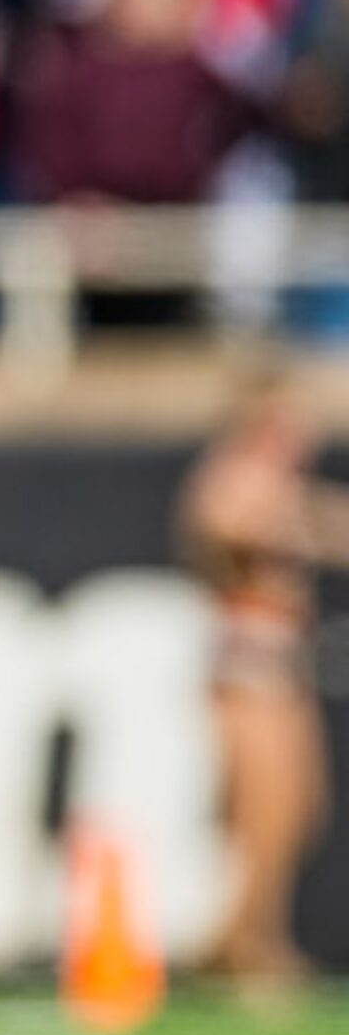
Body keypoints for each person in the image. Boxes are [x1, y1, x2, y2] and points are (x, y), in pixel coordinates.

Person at [178, 372, 340, 992]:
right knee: (259, 812)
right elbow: (227, 527)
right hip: (247, 672)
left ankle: (250, 936)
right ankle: (239, 944)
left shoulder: (282, 489)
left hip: (282, 668)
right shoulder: (232, 480)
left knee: (301, 807)